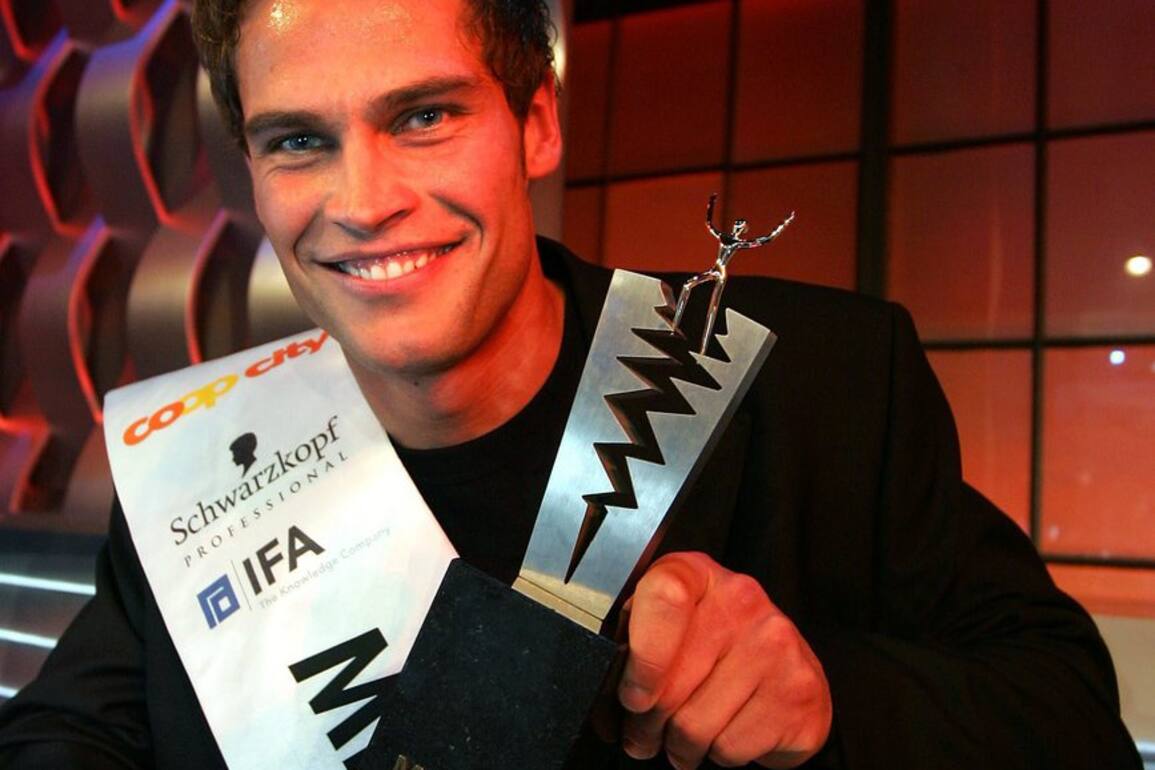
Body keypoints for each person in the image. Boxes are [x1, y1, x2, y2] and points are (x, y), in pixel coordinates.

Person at [0, 0, 1142, 768]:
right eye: (298, 140)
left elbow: (1074, 718)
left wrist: (829, 696)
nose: (362, 201)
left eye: (424, 115)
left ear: (535, 122)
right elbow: (67, 735)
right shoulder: (202, 469)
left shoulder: (818, 385)